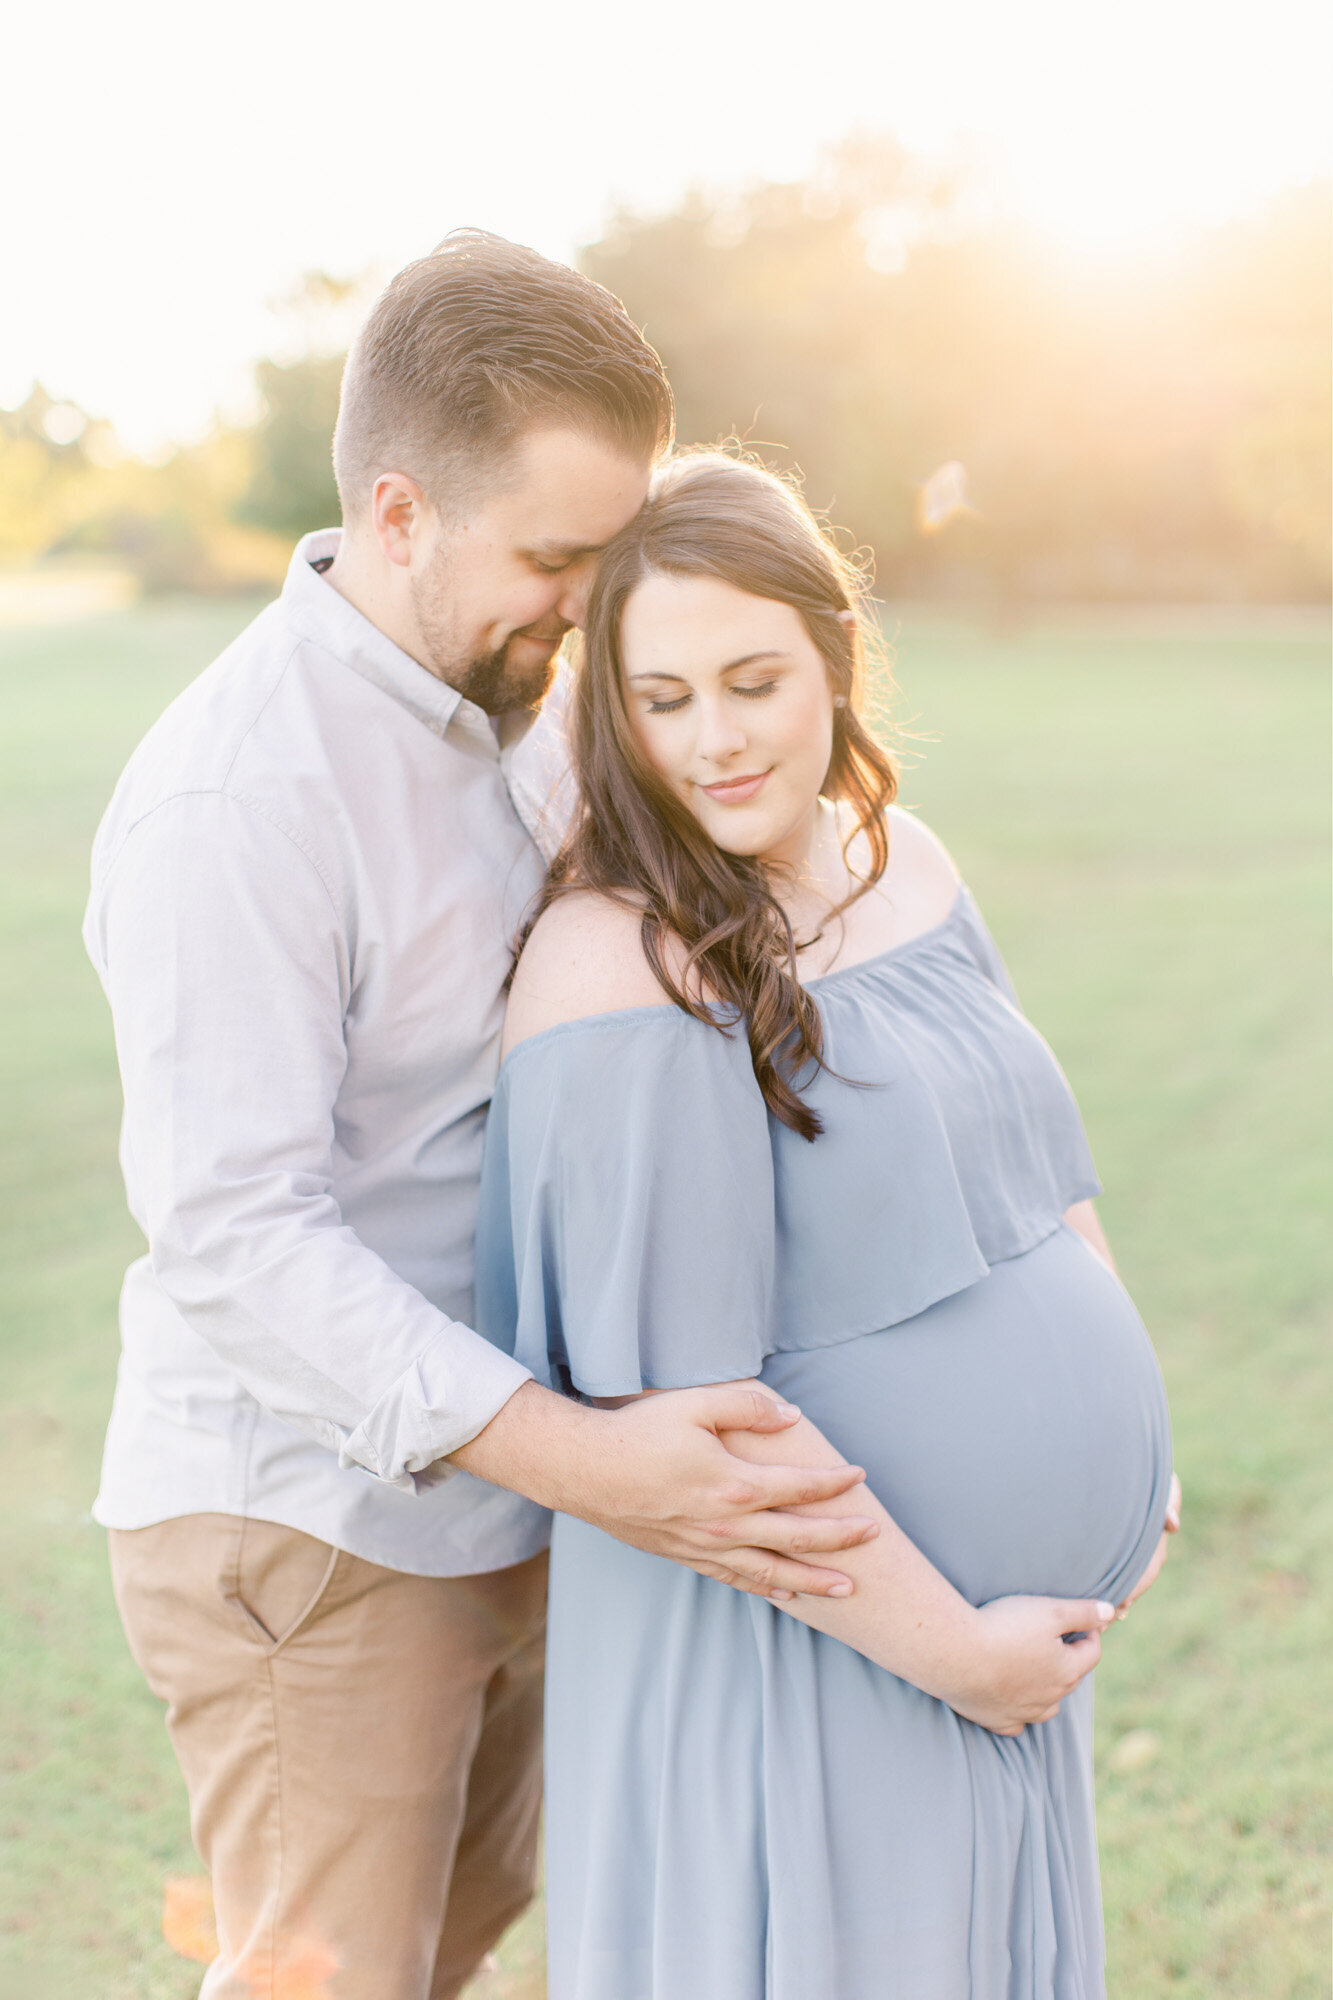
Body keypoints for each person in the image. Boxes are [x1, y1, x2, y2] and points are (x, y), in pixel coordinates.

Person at [82, 237, 879, 2000]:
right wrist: (593, 1464)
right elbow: (234, 1237)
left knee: (439, 1950)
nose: (591, 608)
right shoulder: (243, 799)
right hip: (318, 1521)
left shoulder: (501, 700)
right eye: (556, 560)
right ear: (396, 511)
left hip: (501, 1493)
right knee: (335, 1980)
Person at [477, 451, 1181, 2000]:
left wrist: (1140, 1471)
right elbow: (692, 1437)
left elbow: (1041, 1184)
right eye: (661, 700)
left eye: (752, 680)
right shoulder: (629, 967)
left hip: (985, 1659)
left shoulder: (896, 858)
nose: (714, 742)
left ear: (833, 659)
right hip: (815, 1658)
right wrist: (957, 1652)